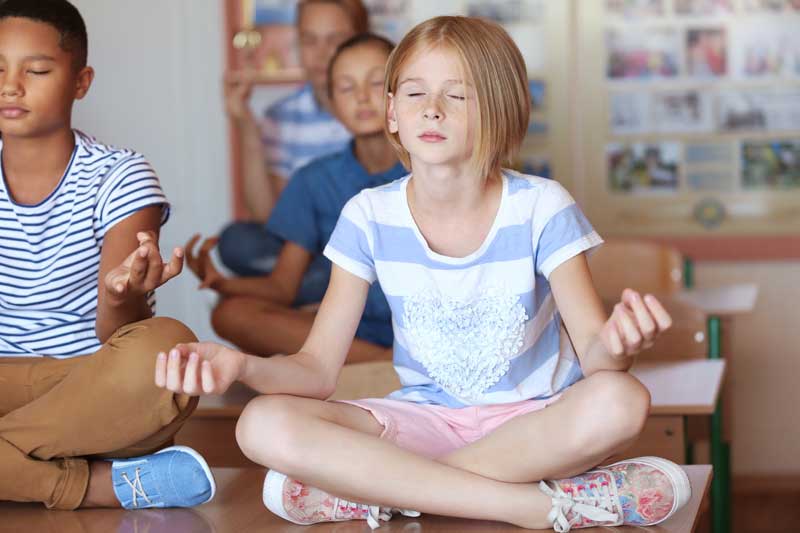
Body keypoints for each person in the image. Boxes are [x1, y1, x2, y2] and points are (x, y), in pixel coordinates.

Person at [156, 16, 690, 532]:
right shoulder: (368, 215)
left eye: (457, 95)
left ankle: (384, 494)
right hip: (422, 425)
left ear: (498, 112)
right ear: (392, 112)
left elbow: (598, 356)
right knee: (261, 423)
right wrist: (242, 365)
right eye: (414, 94)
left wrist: (620, 346)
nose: (432, 110)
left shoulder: (541, 206)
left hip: (534, 426)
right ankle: (529, 502)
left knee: (622, 399)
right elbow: (316, 371)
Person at [0, 0, 213, 511]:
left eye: (37, 70)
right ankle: (100, 486)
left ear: (81, 81)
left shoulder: (120, 175)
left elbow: (116, 335)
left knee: (167, 351)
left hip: (90, 389)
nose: (11, 85)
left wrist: (123, 295)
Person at [186, 33, 404, 362]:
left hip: (425, 323)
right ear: (332, 102)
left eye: (375, 84)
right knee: (230, 314)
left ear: (401, 93)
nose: (361, 97)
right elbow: (283, 287)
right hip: (350, 328)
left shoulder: (433, 170)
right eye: (346, 87)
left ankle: (386, 362)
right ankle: (385, 364)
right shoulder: (314, 180)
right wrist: (221, 282)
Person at [218, 0, 368, 278]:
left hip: (369, 246)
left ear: (361, 39)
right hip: (310, 251)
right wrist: (247, 129)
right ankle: (329, 288)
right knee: (236, 241)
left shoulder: (379, 110)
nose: (321, 54)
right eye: (309, 40)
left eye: (335, 39)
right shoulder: (282, 117)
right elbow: (271, 218)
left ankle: (318, 291)